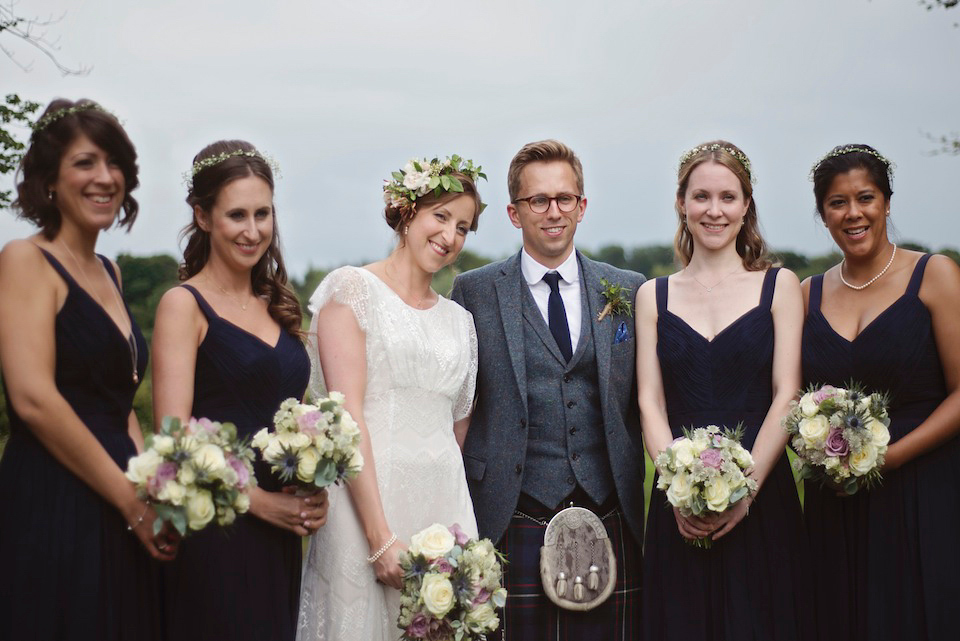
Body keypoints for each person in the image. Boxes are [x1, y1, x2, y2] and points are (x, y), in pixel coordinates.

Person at [450, 140, 644, 641]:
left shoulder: (628, 288)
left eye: (564, 198)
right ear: (515, 213)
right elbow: (457, 403)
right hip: (512, 516)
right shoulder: (474, 291)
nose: (553, 212)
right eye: (538, 200)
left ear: (583, 206)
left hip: (610, 514)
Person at [0, 98, 176, 641]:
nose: (105, 178)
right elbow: (33, 398)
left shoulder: (111, 272)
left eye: (115, 163)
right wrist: (128, 499)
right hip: (57, 495)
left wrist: (151, 485)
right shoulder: (25, 261)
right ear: (49, 179)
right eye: (85, 163)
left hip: (122, 498)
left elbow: (120, 400)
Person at [296, 155, 484, 641]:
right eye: (440, 217)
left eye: (463, 227)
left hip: (442, 512)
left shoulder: (460, 322)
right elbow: (347, 417)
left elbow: (457, 430)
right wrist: (380, 540)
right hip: (366, 515)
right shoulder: (352, 290)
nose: (450, 236)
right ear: (406, 213)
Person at [636, 141, 813, 640]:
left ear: (746, 205)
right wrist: (677, 490)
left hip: (763, 500)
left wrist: (745, 492)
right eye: (701, 197)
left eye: (728, 197)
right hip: (678, 512)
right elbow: (650, 400)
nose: (714, 210)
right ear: (681, 203)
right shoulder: (653, 296)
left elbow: (788, 393)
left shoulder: (778, 286)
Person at [152, 140, 327, 641]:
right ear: (203, 217)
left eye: (263, 214)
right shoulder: (183, 305)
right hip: (216, 531)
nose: (253, 231)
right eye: (236, 215)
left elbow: (293, 418)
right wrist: (260, 502)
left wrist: (314, 486)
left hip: (279, 541)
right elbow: (174, 439)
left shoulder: (277, 306)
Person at [802, 144, 960, 641]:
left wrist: (886, 458)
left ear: (887, 203)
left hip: (924, 492)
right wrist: (813, 448)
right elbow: (787, 399)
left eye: (865, 198)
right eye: (836, 203)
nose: (853, 213)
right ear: (823, 214)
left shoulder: (934, 276)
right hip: (836, 502)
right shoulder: (806, 295)